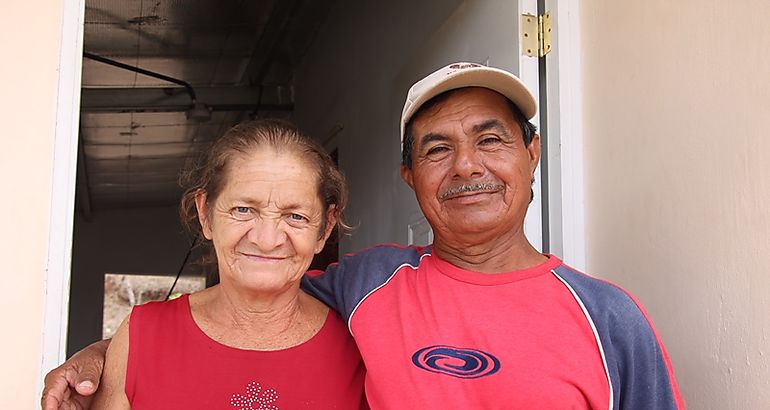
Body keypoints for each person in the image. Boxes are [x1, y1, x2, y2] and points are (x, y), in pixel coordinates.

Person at [43, 63, 683, 409]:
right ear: (409, 175)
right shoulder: (369, 288)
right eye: (437, 149)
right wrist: (107, 357)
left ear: (532, 153)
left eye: (491, 139)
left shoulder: (610, 319)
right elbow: (244, 304)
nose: (467, 166)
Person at [78, 119, 366, 409]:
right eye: (243, 210)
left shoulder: (361, 346)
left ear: (325, 228)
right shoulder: (142, 335)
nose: (267, 240)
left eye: (295, 216)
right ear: (205, 214)